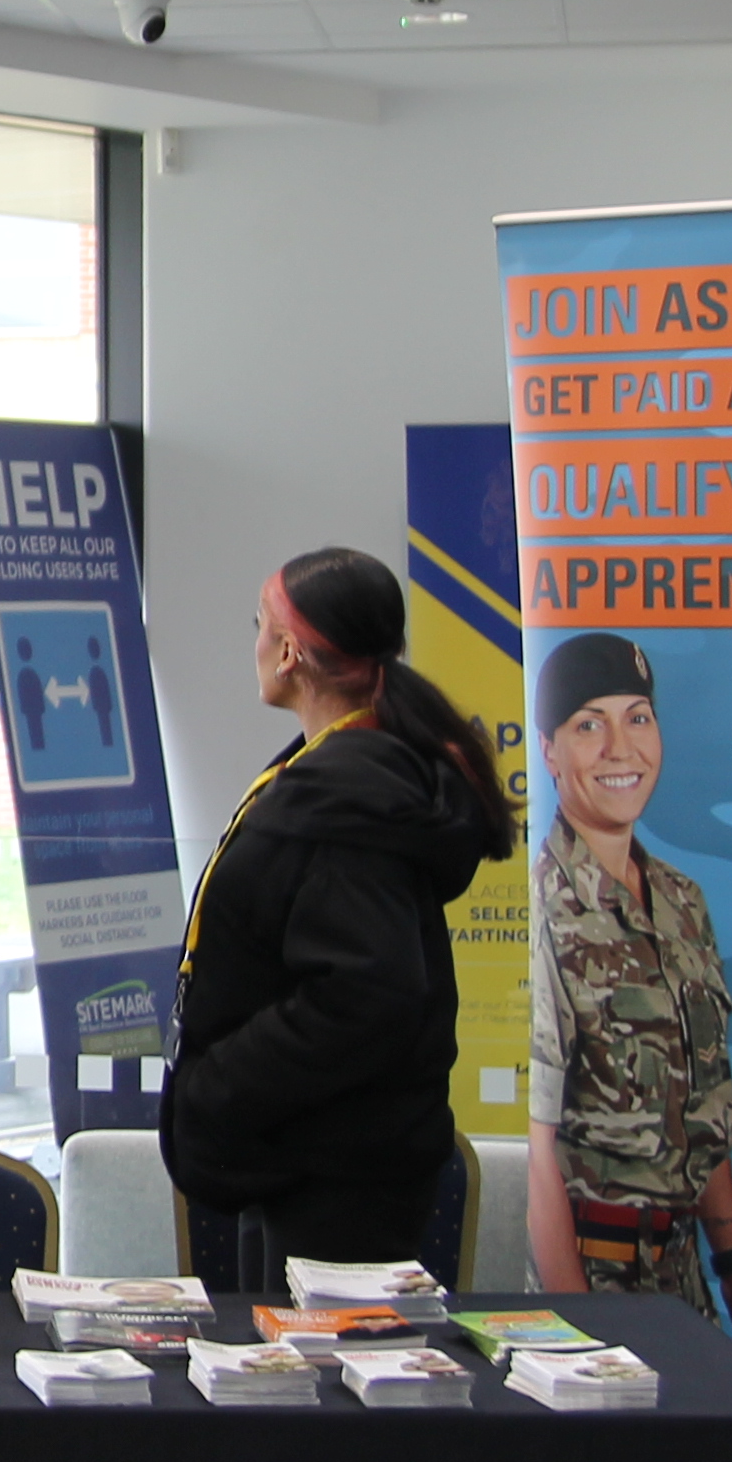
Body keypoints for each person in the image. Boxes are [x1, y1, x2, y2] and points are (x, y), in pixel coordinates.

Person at [161, 544, 514, 1291]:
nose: (253, 640)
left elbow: (366, 994)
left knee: (317, 1393)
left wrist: (222, 1082)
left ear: (289, 652)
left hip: (333, 1164)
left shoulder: (347, 794)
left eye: (259, 625)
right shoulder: (348, 768)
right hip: (308, 1152)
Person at [517, 631, 732, 1366]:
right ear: (550, 751)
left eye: (637, 717)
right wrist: (575, 1347)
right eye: (588, 725)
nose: (619, 748)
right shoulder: (546, 911)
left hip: (681, 1282)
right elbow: (538, 1162)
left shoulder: (680, 901)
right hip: (589, 1282)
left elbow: (702, 1106)